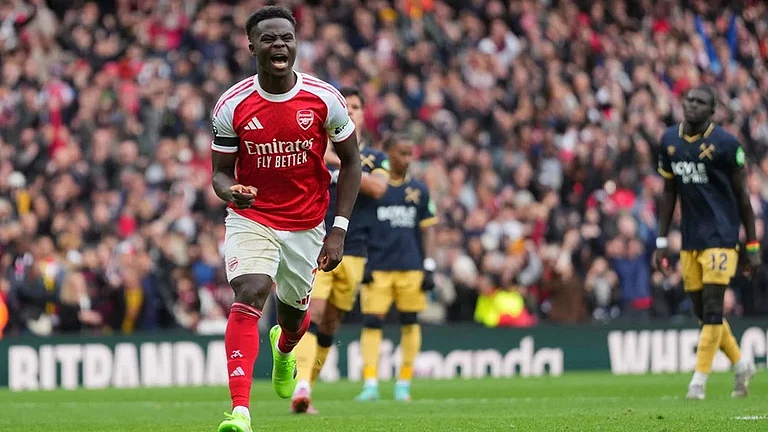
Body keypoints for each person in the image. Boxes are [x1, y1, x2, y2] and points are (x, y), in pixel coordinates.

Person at [210, 6, 361, 432]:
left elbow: (352, 163)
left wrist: (338, 229)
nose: (279, 45)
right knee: (252, 291)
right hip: (252, 216)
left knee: (293, 316)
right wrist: (230, 190)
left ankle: (285, 348)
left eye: (286, 38)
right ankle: (240, 411)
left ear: (296, 43)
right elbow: (220, 172)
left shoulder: (324, 98)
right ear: (252, 45)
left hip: (308, 223)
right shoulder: (232, 104)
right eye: (269, 38)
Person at [655, 85, 759, 401]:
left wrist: (751, 245)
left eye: (701, 102)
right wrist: (661, 240)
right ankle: (742, 365)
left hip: (722, 237)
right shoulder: (669, 141)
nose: (692, 105)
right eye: (689, 100)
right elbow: (668, 191)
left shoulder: (727, 145)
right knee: (703, 313)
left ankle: (698, 381)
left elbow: (743, 198)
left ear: (712, 111)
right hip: (690, 238)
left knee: (713, 308)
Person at [291, 87, 389, 414]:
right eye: (344, 106)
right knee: (314, 313)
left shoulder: (376, 158)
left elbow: (377, 187)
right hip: (318, 245)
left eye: (356, 107)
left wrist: (344, 160)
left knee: (331, 323)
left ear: (363, 114)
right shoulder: (315, 149)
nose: (350, 111)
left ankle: (308, 388)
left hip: (356, 250)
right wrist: (334, 157)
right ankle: (301, 387)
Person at [356, 134, 437, 402]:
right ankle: (370, 383)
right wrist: (364, 259)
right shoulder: (374, 190)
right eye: (402, 153)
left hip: (410, 267)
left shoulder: (419, 190)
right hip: (377, 267)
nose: (407, 159)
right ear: (388, 153)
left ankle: (404, 382)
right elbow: (361, 227)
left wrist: (429, 266)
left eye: (410, 154)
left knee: (410, 322)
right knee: (372, 323)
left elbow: (428, 231)